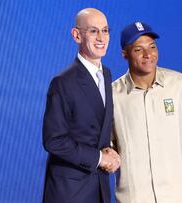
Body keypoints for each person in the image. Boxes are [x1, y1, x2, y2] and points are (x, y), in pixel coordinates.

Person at [112, 22, 182, 203]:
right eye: (138, 50)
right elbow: (107, 148)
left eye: (152, 47)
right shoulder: (112, 96)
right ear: (124, 54)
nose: (148, 55)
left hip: (180, 198)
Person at [42, 8, 120, 203]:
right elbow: (54, 140)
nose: (101, 37)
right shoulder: (62, 82)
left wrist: (110, 150)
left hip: (99, 188)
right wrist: (100, 159)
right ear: (77, 35)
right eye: (93, 31)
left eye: (105, 30)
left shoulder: (107, 74)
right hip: (70, 192)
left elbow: (95, 128)